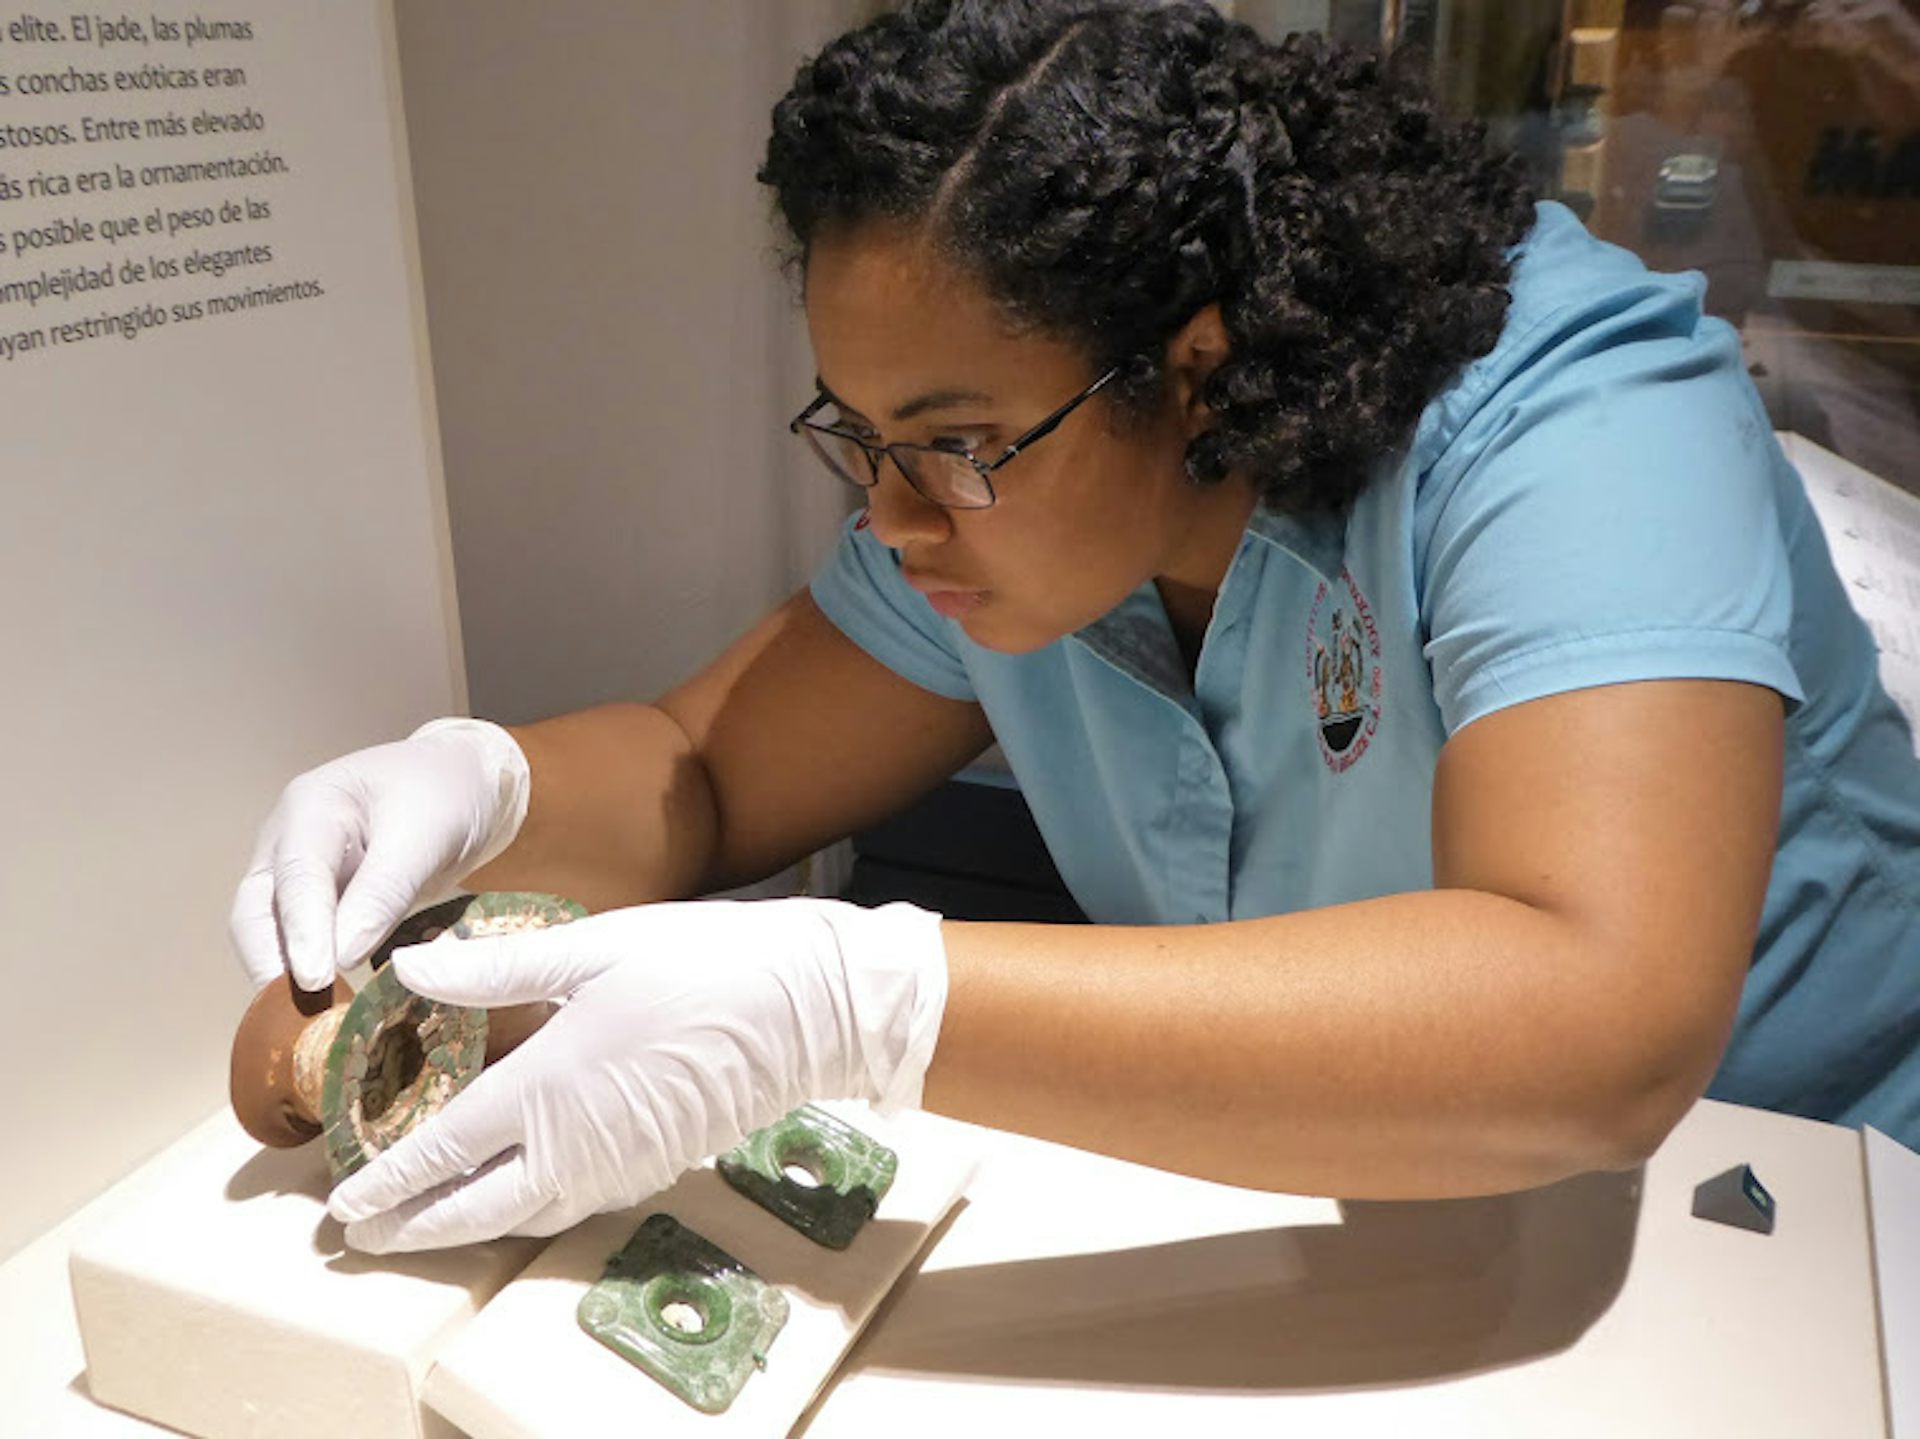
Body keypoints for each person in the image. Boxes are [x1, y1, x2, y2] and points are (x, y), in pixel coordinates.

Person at [231, 0, 1920, 1254]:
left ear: (1190, 363)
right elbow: (702, 768)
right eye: (861, 436)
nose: (893, 520)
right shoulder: (994, 511)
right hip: (1351, 1213)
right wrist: (477, 789)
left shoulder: (1573, 415)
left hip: (1774, 1210)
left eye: (956, 444)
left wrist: (856, 1002)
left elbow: (1598, 1021)